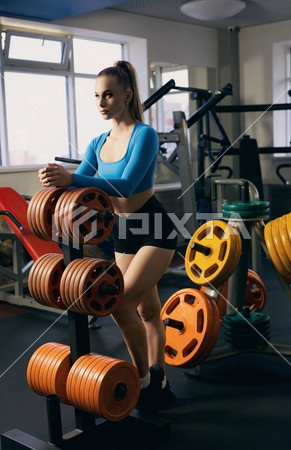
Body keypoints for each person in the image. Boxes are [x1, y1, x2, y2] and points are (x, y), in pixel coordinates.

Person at [38, 60, 177, 412]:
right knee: (147, 310)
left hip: (154, 228)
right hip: (123, 233)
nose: (101, 102)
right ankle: (160, 378)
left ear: (127, 96)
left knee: (120, 304)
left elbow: (126, 185)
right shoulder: (98, 141)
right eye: (97, 96)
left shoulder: (144, 134)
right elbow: (80, 183)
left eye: (109, 95)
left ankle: (143, 382)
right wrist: (57, 184)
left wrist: (73, 178)